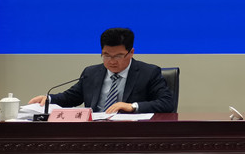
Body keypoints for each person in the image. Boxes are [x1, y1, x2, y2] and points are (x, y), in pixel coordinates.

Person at [28, 27, 175, 114]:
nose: (111, 61)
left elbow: (167, 103)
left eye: (118, 56)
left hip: (131, 133)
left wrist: (132, 106)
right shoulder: (91, 73)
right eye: (106, 55)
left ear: (131, 53)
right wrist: (49, 99)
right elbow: (71, 97)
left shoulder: (148, 72)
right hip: (94, 131)